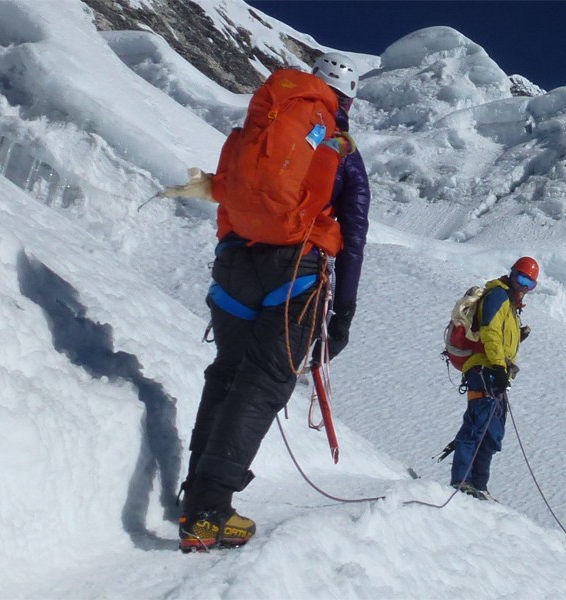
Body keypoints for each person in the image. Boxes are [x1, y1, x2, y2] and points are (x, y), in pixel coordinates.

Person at [176, 52, 368, 552]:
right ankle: (208, 510)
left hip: (236, 260)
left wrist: (229, 252)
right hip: (296, 270)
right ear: (347, 99)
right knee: (263, 382)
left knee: (228, 372)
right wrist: (342, 311)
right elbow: (354, 233)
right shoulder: (341, 146)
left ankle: (196, 492)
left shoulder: (269, 117)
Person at [449, 257, 540, 501]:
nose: (523, 287)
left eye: (529, 284)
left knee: (492, 431)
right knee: (478, 424)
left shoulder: (511, 306)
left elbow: (498, 335)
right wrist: (499, 367)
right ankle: (462, 480)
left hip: (495, 372)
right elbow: (489, 331)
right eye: (521, 279)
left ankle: (478, 484)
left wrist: (515, 339)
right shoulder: (498, 296)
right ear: (511, 274)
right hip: (484, 370)